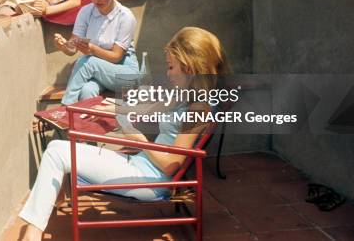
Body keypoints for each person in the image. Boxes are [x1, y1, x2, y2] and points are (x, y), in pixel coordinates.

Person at [19, 26, 229, 240]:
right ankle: (43, 214)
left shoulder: (198, 109)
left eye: (171, 67)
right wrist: (115, 109)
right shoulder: (186, 95)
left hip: (151, 181)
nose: (167, 73)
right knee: (57, 149)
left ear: (190, 69)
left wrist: (137, 139)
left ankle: (32, 235)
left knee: (58, 153)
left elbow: (172, 164)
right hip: (141, 165)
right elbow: (150, 108)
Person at [52, 0, 139, 104]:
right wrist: (64, 47)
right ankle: (85, 124)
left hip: (126, 74)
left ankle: (66, 107)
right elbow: (72, 49)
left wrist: (92, 49)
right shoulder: (85, 12)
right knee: (87, 91)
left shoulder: (126, 17)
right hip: (99, 73)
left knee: (88, 61)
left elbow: (117, 57)